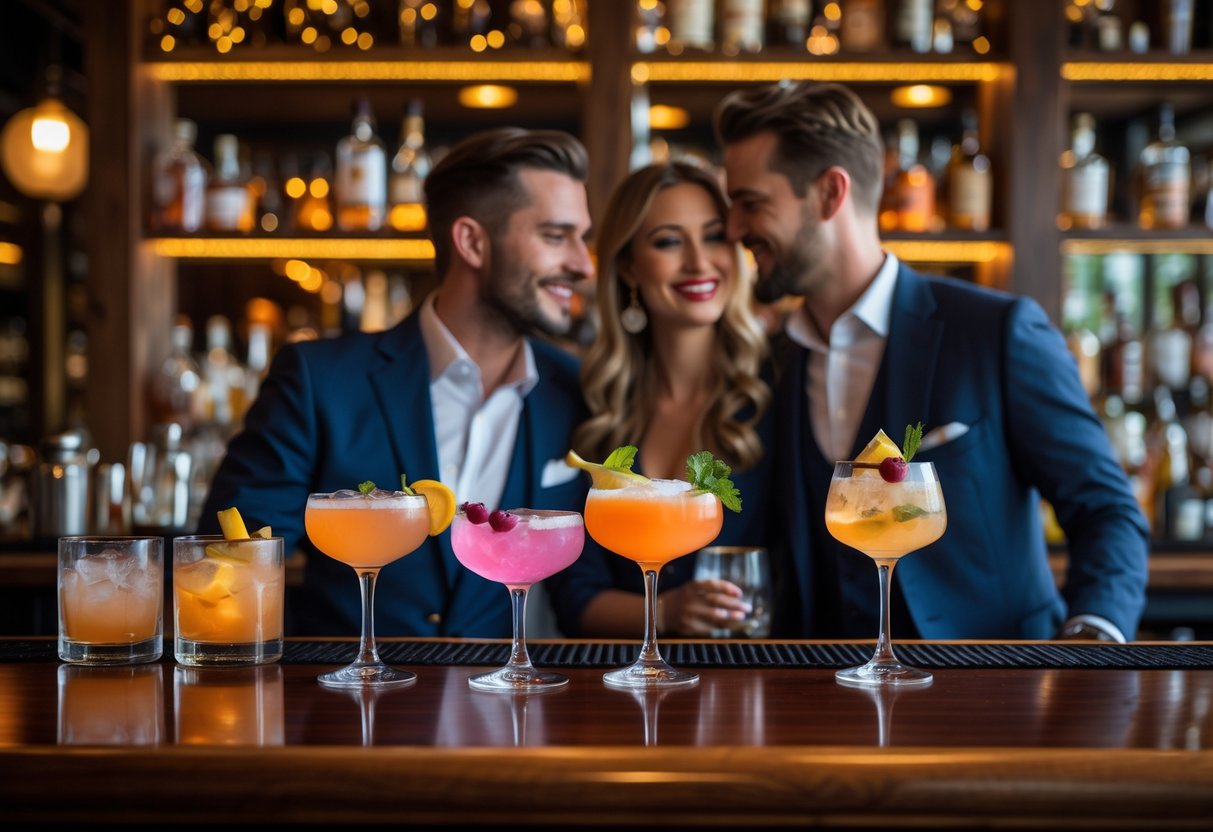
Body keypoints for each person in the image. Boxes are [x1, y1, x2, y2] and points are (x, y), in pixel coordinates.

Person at [714, 80, 1149, 641]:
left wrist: (1092, 640)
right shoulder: (770, 361)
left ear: (829, 194)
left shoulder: (995, 331)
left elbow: (1107, 509)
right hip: (819, 701)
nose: (733, 229)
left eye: (751, 203)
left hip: (994, 690)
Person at [198, 127, 595, 638]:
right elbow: (230, 558)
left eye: (582, 238)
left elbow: (586, 583)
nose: (583, 263)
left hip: (503, 706)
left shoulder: (573, 390)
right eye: (556, 236)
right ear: (472, 241)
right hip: (345, 704)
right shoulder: (319, 380)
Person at [548, 161, 773, 638]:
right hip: (625, 690)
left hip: (756, 681)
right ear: (629, 265)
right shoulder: (595, 405)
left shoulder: (779, 390)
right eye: (669, 241)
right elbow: (575, 594)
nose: (698, 261)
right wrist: (665, 613)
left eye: (714, 237)